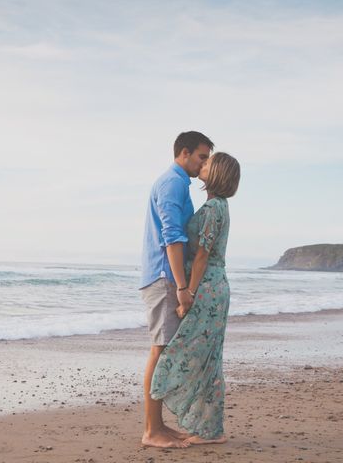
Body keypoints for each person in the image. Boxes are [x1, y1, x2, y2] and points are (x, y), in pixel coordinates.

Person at [151, 152, 241, 445]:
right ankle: (205, 427)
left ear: (217, 174)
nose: (202, 166)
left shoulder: (215, 207)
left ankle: (211, 431)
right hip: (210, 286)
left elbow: (202, 256)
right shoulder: (215, 206)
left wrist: (187, 292)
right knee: (203, 358)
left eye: (207, 164)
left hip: (207, 288)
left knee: (202, 358)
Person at [140, 131, 214, 448]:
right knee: (160, 349)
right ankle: (151, 431)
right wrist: (182, 285)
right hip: (164, 277)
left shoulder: (180, 184)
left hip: (166, 276)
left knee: (166, 349)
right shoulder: (172, 183)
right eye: (202, 156)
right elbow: (172, 237)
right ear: (183, 153)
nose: (205, 163)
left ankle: (159, 425)